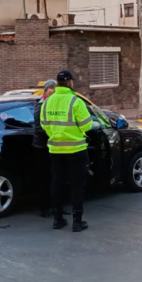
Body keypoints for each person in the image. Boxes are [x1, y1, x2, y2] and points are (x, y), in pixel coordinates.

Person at [40, 71, 93, 232]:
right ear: (70, 83)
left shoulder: (48, 102)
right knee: (77, 186)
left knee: (56, 184)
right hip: (76, 149)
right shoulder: (75, 101)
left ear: (56, 83)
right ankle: (77, 222)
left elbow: (44, 124)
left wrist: (56, 135)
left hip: (55, 149)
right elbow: (87, 125)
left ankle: (57, 220)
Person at [33, 80, 57, 218]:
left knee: (56, 177)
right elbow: (39, 128)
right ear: (46, 90)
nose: (53, 91)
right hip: (42, 147)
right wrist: (55, 134)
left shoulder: (55, 104)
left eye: (55, 88)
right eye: (51, 88)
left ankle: (56, 206)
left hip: (54, 146)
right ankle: (44, 208)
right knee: (44, 178)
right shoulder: (41, 105)